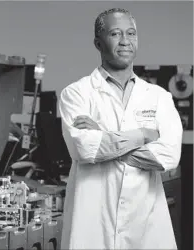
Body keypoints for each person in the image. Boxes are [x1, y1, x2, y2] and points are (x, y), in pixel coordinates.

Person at [59, 8, 183, 250]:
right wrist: (144, 135)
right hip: (94, 224)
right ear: (98, 42)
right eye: (116, 33)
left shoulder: (159, 97)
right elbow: (85, 150)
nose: (126, 41)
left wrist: (103, 135)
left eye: (131, 33)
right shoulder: (76, 94)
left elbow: (168, 156)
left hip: (146, 222)